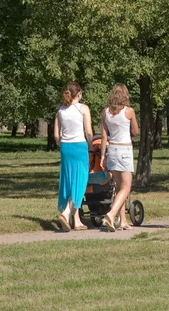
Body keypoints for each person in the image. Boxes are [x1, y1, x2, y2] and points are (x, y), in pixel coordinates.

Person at [54, 82, 93, 232]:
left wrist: (62, 145)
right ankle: (66, 213)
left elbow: (57, 135)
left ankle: (76, 221)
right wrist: (90, 146)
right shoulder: (83, 108)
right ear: (79, 94)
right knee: (80, 181)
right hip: (79, 146)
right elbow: (89, 132)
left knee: (69, 181)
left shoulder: (61, 111)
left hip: (65, 147)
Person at [100, 84, 139, 232]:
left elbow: (104, 136)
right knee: (126, 187)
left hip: (112, 149)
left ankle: (123, 220)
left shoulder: (105, 112)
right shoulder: (128, 111)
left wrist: (103, 155)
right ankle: (111, 214)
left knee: (119, 187)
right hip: (124, 149)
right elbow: (135, 131)